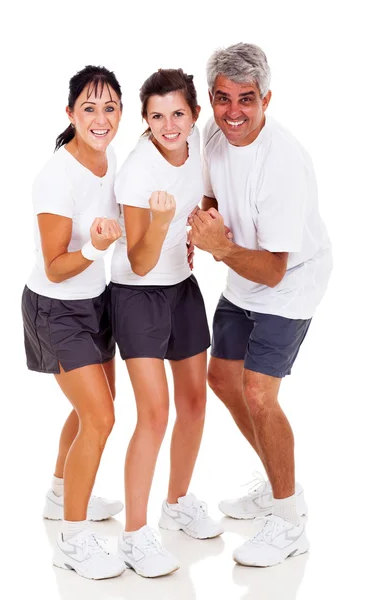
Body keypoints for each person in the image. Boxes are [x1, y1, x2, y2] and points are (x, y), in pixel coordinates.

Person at [189, 43, 332, 567]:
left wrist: (218, 247)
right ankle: (279, 486)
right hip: (243, 272)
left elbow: (273, 269)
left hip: (290, 279)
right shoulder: (214, 134)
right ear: (211, 98)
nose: (233, 112)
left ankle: (290, 522)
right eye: (223, 98)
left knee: (258, 393)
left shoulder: (283, 163)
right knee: (223, 380)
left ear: (267, 99)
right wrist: (197, 229)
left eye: (246, 99)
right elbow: (209, 199)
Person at [109, 68, 223, 578]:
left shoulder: (199, 141)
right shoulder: (137, 171)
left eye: (177, 113)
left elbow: (205, 191)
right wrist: (160, 224)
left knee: (195, 403)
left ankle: (176, 502)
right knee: (154, 413)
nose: (169, 125)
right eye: (157, 116)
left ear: (194, 114)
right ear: (146, 120)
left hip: (182, 288)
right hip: (136, 294)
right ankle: (135, 535)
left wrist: (201, 224)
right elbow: (137, 261)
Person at [21, 65, 126, 579]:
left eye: (109, 107)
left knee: (97, 409)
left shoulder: (111, 164)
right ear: (71, 114)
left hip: (95, 301)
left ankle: (61, 492)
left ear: (121, 114)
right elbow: (56, 264)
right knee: (101, 419)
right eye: (89, 107)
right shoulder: (55, 176)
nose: (100, 118)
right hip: (55, 305)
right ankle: (73, 537)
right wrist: (95, 246)